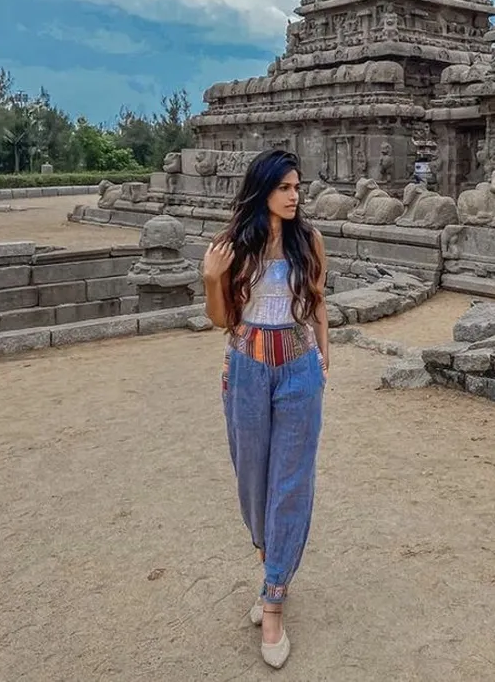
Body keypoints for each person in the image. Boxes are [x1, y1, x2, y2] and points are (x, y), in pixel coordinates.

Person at [202, 149, 329, 670]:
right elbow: (219, 319)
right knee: (253, 481)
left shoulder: (309, 241)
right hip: (247, 369)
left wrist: (325, 357)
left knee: (291, 482)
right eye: (285, 188)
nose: (295, 196)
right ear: (263, 191)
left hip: (299, 368)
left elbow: (318, 302)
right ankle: (269, 562)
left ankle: (274, 597)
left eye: (298, 187)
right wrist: (212, 279)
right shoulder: (233, 247)